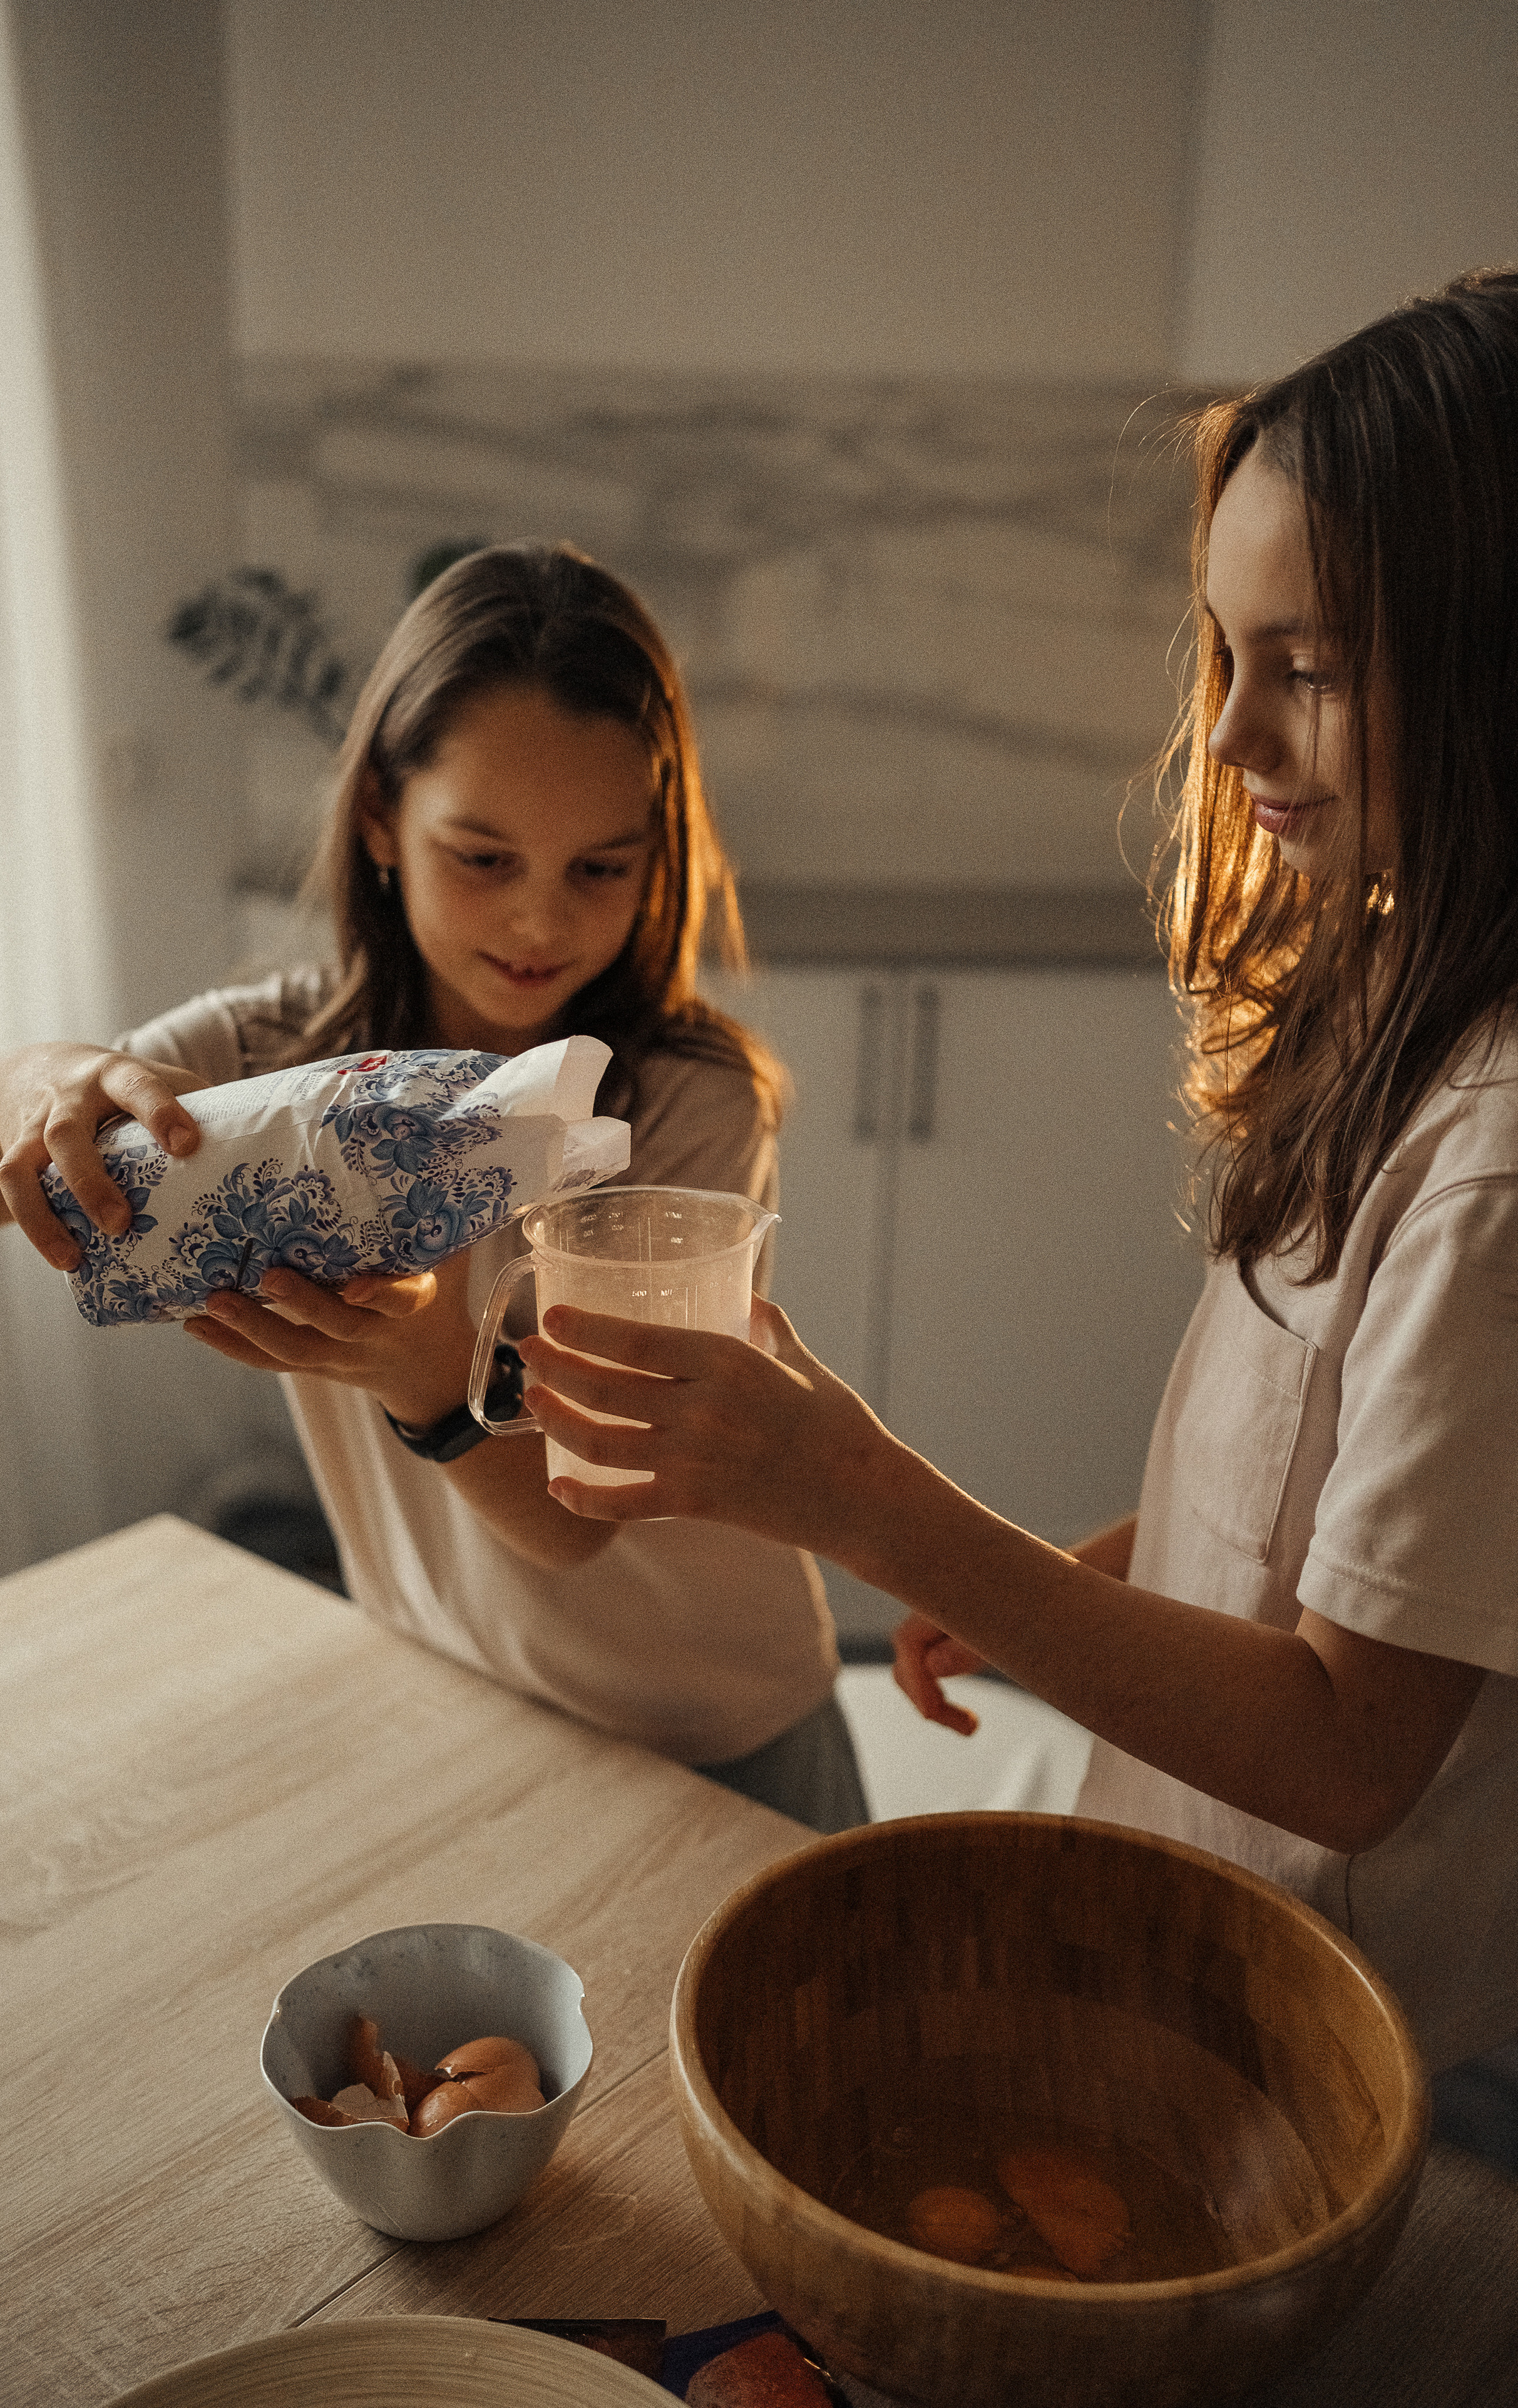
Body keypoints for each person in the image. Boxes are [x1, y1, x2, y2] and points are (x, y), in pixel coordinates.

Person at [513, 270, 1518, 2076]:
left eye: (1310, 670)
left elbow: (1356, 1755)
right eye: (1226, 656)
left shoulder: (1502, 1155)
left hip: (1360, 2052)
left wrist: (870, 1502)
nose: (1229, 739)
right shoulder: (1393, 968)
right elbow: (1351, 1508)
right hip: (1202, 1901)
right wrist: (1119, 1574)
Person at [0, 543, 864, 1833]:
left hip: (713, 1729)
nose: (539, 923)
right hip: (459, 1698)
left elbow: (579, 1516)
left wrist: (427, 1372)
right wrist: (20, 1086)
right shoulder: (271, 1060)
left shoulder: (679, 1107)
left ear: (661, 854)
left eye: (600, 866)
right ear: (379, 817)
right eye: (481, 857)